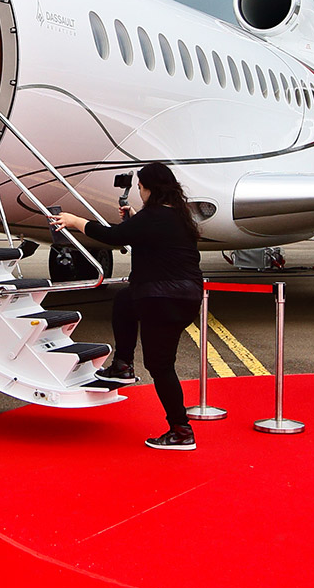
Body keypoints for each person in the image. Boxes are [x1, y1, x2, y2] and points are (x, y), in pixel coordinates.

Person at [50, 162, 204, 451]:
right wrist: (134, 218)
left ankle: (181, 430)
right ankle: (122, 365)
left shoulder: (154, 216)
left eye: (141, 188)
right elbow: (151, 234)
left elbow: (113, 237)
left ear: (150, 189)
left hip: (163, 299)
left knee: (160, 366)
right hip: (185, 295)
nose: (140, 193)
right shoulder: (178, 215)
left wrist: (75, 221)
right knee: (124, 300)